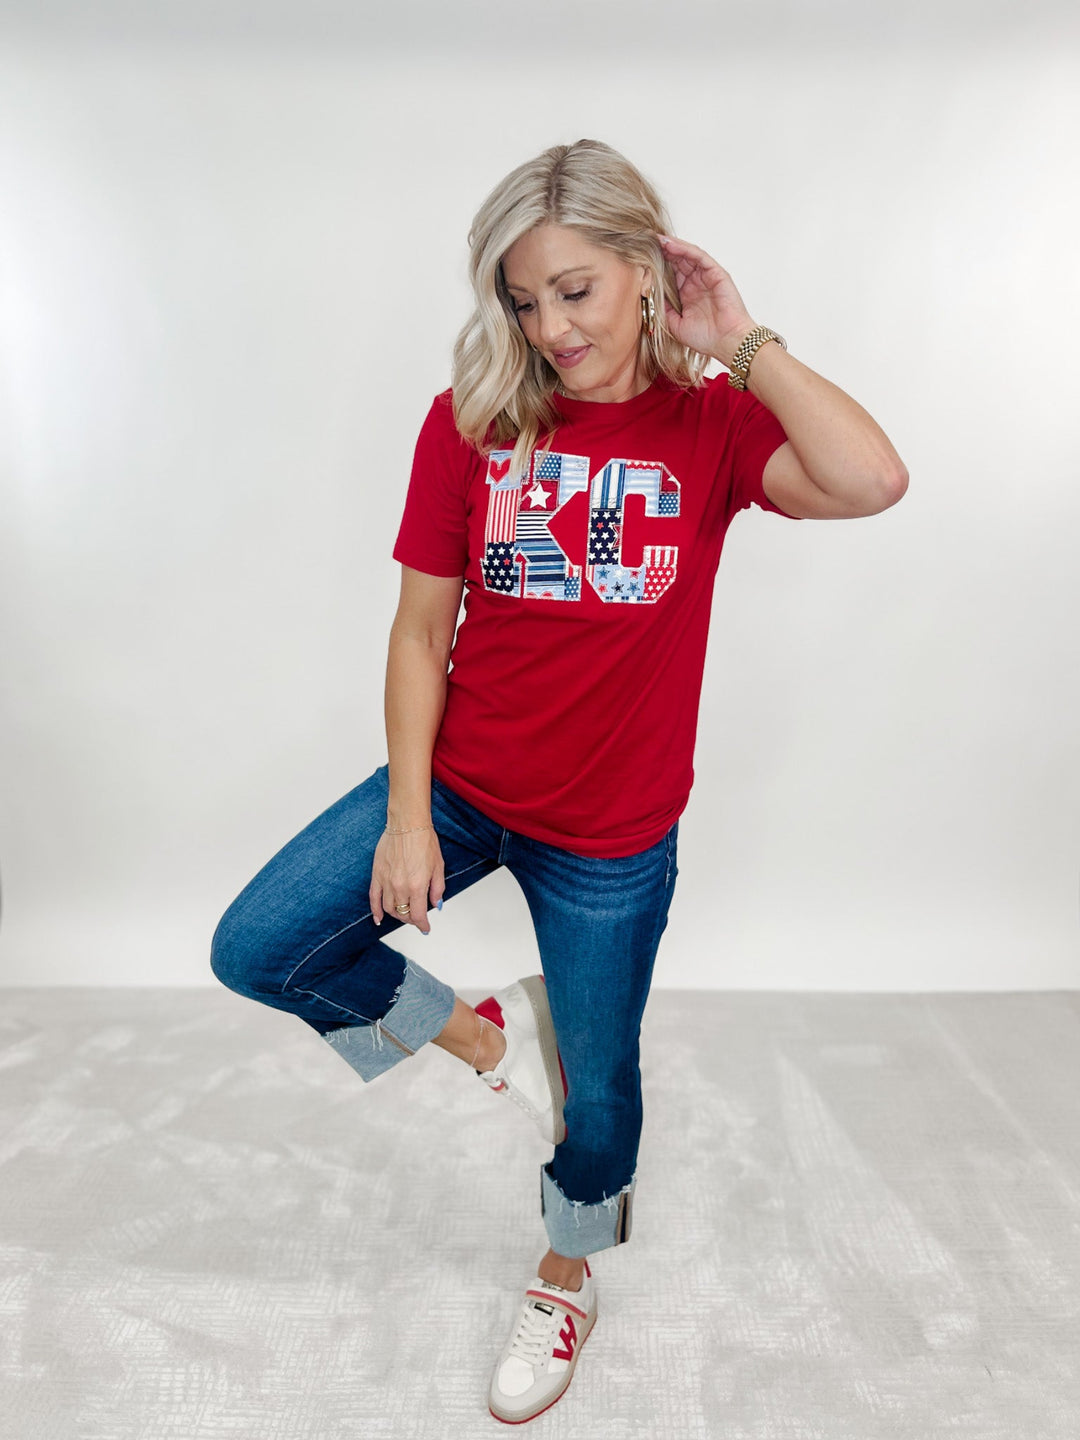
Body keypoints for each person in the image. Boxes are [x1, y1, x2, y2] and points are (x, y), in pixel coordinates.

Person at [210, 137, 907, 1425]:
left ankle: (566, 1275)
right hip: (464, 786)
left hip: (611, 839)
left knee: (599, 1092)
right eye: (525, 301)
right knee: (260, 946)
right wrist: (408, 817)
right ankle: (489, 1035)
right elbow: (421, 632)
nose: (550, 328)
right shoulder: (474, 422)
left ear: (645, 271)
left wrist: (741, 338)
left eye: (576, 290)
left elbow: (873, 479)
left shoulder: (714, 425)